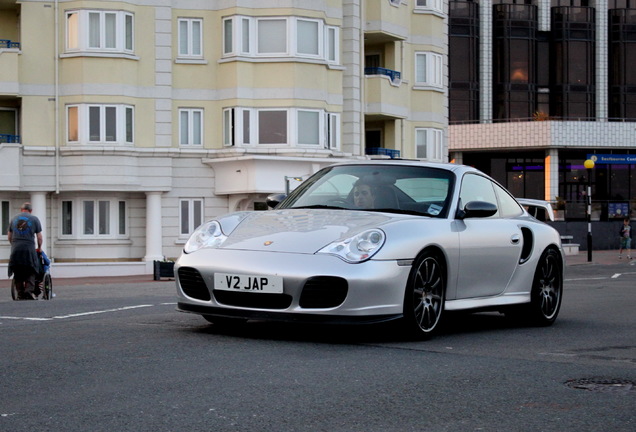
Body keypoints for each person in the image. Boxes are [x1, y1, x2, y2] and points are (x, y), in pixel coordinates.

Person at [7, 202, 43, 300]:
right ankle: (28, 291)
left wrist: (14, 245)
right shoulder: (34, 219)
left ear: (21, 209)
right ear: (30, 211)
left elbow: (9, 236)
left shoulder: (13, 219)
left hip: (16, 248)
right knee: (31, 269)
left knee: (17, 270)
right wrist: (39, 248)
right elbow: (39, 237)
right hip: (29, 248)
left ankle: (20, 293)